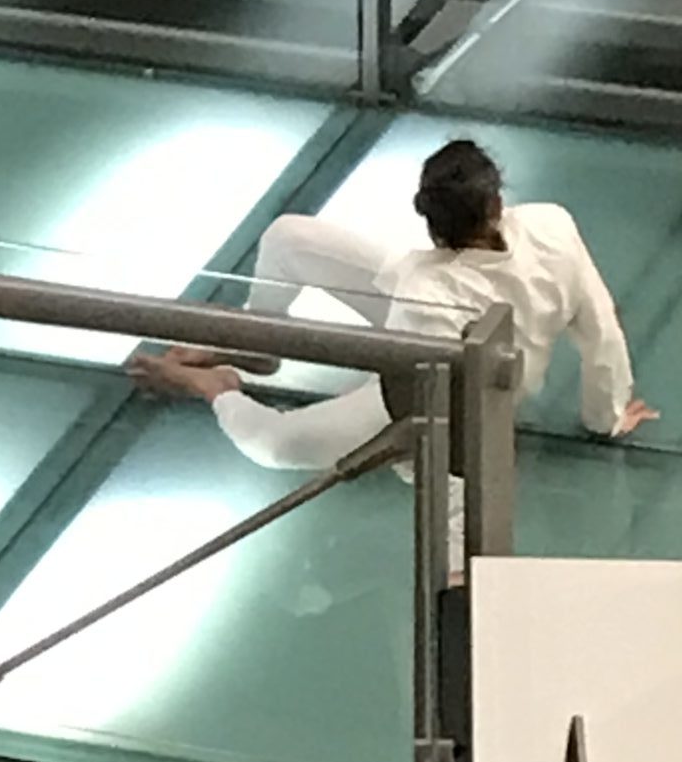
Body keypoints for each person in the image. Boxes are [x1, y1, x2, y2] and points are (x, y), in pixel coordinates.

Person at [130, 140, 657, 565]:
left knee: (274, 443)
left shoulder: (423, 292)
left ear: (431, 224)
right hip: (433, 328)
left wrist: (409, 459)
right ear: (497, 203)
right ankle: (258, 341)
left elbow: (408, 397)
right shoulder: (551, 223)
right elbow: (600, 328)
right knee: (290, 237)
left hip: (453, 380)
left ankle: (217, 388)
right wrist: (605, 416)